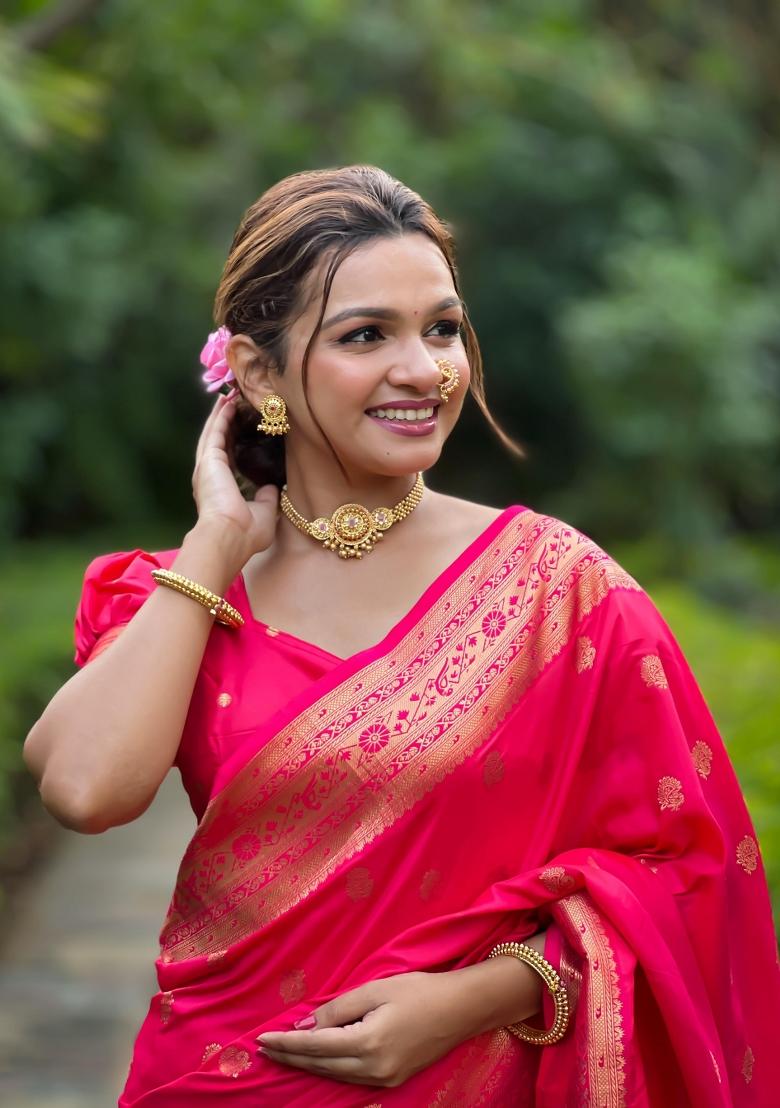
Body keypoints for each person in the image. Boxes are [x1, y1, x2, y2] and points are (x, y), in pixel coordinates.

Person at [24, 165, 778, 1106]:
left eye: (443, 328)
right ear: (257, 374)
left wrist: (475, 997)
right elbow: (85, 791)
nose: (424, 369)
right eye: (366, 335)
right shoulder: (186, 596)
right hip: (215, 1078)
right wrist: (215, 547)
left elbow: (689, 871)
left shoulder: (560, 591)